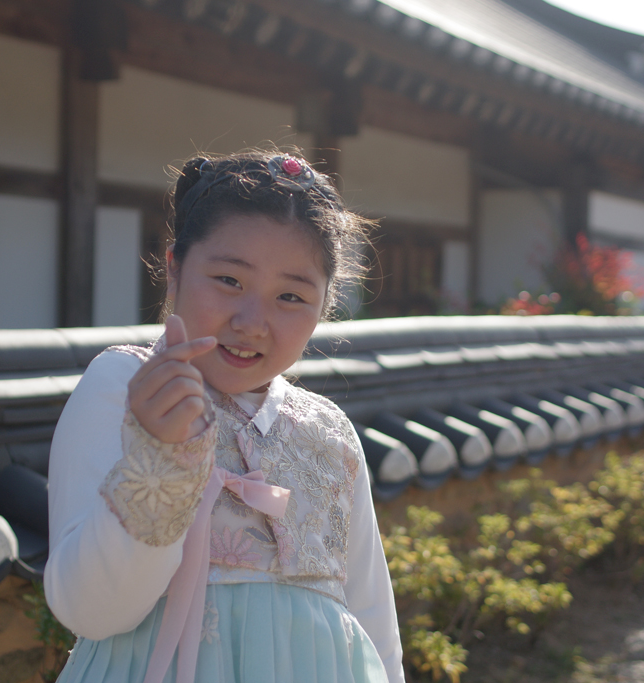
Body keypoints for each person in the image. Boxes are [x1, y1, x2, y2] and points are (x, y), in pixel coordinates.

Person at [45, 150, 405, 683]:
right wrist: (160, 460)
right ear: (174, 269)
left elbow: (373, 622)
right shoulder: (125, 387)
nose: (253, 322)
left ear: (324, 306)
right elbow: (89, 611)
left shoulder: (330, 433)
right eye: (230, 281)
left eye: (290, 296)